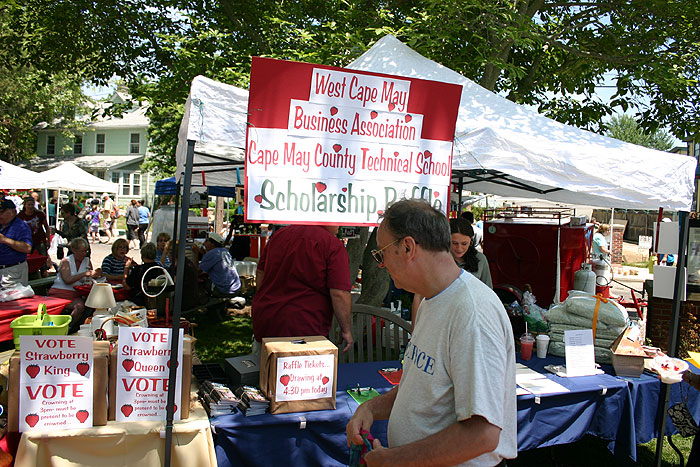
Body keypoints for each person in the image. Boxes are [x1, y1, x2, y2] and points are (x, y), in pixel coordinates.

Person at [346, 199, 516, 466]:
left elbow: (483, 434)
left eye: (382, 253)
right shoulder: (430, 299)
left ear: (408, 247)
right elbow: (421, 388)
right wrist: (370, 408)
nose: (381, 264)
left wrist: (393, 460)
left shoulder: (472, 313)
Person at [251, 224, 353, 354]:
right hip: (305, 327)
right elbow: (339, 293)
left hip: (266, 319)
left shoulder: (278, 235)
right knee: (303, 373)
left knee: (264, 370)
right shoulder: (332, 244)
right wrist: (346, 330)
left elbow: (261, 273)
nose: (340, 224)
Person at [48, 237, 102, 330]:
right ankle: (67, 327)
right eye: (81, 251)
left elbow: (89, 276)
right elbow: (67, 280)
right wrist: (84, 274)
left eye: (86, 251)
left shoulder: (86, 261)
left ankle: (78, 326)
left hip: (78, 293)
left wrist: (95, 275)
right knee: (80, 306)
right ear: (74, 250)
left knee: (94, 303)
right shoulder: (66, 261)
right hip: (61, 292)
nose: (84, 254)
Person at [0, 199, 32, 289]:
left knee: (11, 301)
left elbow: (27, 248)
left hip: (12, 271)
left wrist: (5, 240)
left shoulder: (21, 226)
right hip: (4, 272)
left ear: (13, 212)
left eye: (1, 212)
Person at [17, 197, 51, 276]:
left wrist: (48, 239)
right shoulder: (20, 215)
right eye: (28, 204)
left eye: (32, 204)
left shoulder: (39, 214)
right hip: (27, 242)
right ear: (25, 205)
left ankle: (44, 277)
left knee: (43, 261)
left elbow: (46, 227)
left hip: (40, 240)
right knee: (28, 261)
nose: (30, 206)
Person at [165, 240, 200, 310]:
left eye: (168, 253)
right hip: (192, 298)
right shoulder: (186, 262)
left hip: (184, 301)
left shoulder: (180, 267)